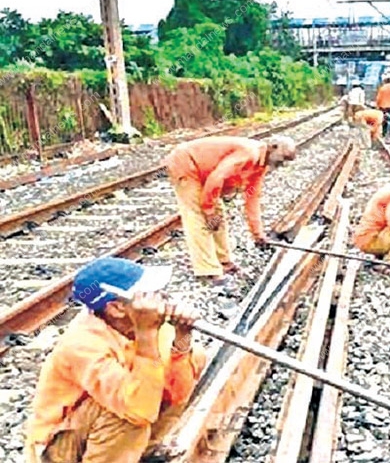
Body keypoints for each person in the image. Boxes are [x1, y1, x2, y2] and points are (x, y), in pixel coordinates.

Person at [25, 257, 207, 463]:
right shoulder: (82, 345)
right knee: (127, 412)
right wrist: (146, 334)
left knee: (191, 357)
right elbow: (138, 410)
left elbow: (177, 394)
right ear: (116, 308)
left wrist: (182, 339)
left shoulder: (144, 324)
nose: (161, 299)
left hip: (108, 433)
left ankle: (142, 452)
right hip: (63, 450)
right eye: (149, 294)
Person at [164, 135, 297, 285]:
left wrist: (258, 234)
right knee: (198, 217)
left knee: (218, 216)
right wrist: (208, 210)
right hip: (186, 164)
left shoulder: (260, 167)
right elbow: (217, 178)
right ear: (273, 147)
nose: (282, 164)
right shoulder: (249, 153)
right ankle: (208, 271)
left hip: (203, 173)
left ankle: (224, 262)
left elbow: (252, 198)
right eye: (283, 158)